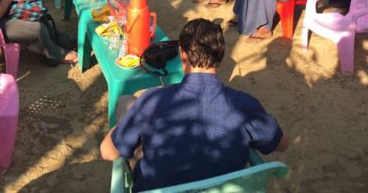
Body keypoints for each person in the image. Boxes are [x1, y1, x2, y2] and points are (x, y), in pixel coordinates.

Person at [100, 18, 287, 190]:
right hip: (225, 185)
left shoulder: (151, 102)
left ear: (182, 54)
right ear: (221, 56)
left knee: (126, 103)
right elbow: (281, 143)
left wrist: (132, 121)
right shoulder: (245, 105)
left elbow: (107, 152)